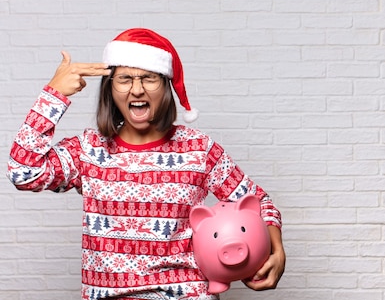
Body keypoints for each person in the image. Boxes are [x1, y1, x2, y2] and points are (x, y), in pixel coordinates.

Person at [6, 28, 285, 300]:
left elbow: (259, 203)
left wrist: (277, 251)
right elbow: (23, 172)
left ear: (165, 86)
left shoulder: (198, 149)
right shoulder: (88, 150)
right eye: (125, 78)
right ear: (110, 87)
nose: (137, 90)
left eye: (149, 78)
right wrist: (54, 94)